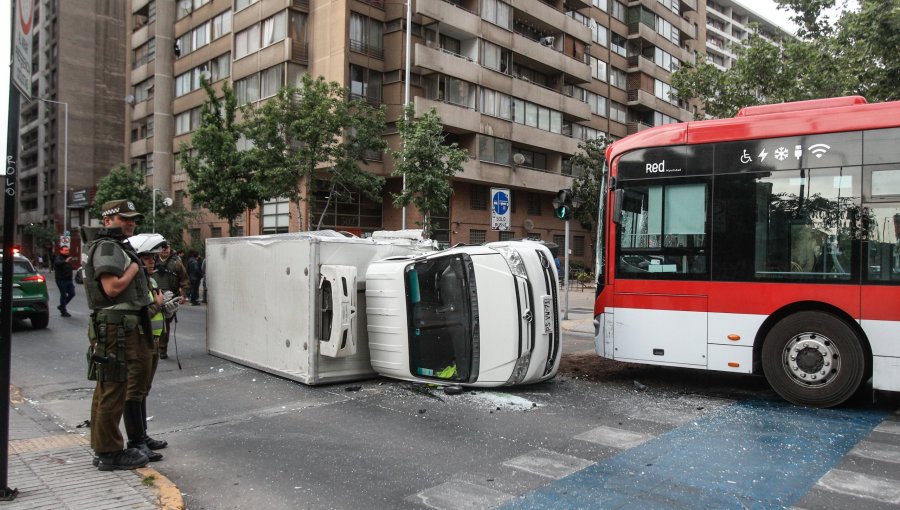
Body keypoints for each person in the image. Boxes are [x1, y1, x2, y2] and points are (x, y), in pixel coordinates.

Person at [83, 199, 152, 471]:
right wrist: (136, 267)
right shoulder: (109, 247)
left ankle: (104, 448)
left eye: (133, 218)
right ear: (108, 220)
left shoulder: (115, 246)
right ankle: (109, 452)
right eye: (125, 218)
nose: (131, 222)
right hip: (116, 329)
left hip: (117, 327)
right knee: (113, 388)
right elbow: (112, 288)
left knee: (109, 387)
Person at [127, 233, 179, 461]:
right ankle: (136, 441)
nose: (152, 261)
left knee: (143, 391)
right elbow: (135, 315)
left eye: (152, 257)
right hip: (138, 341)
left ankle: (143, 436)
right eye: (146, 257)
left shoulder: (150, 280)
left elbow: (155, 309)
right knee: (134, 393)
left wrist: (166, 307)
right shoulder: (133, 283)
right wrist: (157, 305)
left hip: (152, 341)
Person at [155, 242, 189, 359]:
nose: (164, 250)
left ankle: (162, 349)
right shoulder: (151, 261)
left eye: (167, 247)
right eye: (162, 248)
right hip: (153, 297)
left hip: (170, 298)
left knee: (166, 324)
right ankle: (152, 348)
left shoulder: (176, 263)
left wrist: (183, 295)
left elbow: (184, 280)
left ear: (170, 248)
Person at [53, 246, 76, 317]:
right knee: (63, 295)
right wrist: (65, 261)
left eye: (68, 250)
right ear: (61, 251)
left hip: (69, 280)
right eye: (65, 250)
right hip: (61, 280)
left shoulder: (68, 258)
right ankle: (63, 311)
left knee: (72, 293)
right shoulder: (58, 258)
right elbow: (57, 263)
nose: (67, 252)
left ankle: (62, 306)